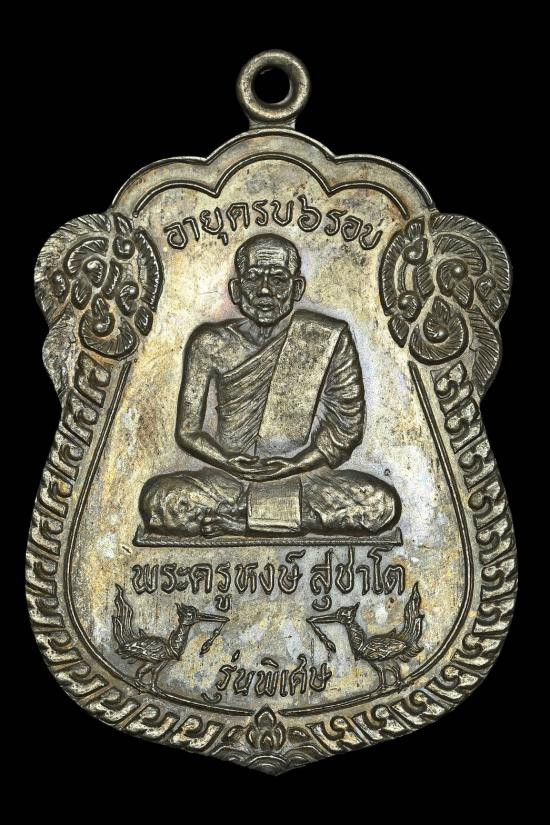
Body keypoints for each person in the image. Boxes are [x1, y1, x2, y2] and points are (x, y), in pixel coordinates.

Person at [140, 234, 400, 537]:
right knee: (160, 501)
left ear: (296, 288)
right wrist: (228, 462)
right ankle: (277, 516)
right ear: (236, 289)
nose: (264, 290)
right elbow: (187, 432)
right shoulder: (209, 343)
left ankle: (244, 520)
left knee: (379, 504)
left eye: (278, 279)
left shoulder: (326, 337)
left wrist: (295, 464)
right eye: (253, 278)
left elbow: (345, 429)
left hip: (301, 478)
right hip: (228, 479)